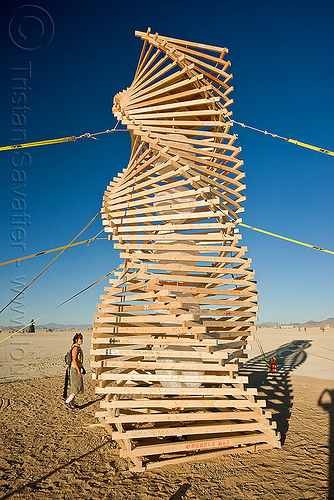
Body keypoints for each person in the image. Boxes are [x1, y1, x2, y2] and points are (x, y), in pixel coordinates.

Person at [64, 333, 85, 409]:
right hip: (75, 369)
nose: (82, 340)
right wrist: (78, 370)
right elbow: (74, 360)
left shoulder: (78, 348)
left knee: (75, 386)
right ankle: (67, 402)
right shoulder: (75, 348)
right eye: (80, 338)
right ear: (76, 340)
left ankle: (72, 404)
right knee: (77, 387)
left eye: (82, 338)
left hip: (77, 368)